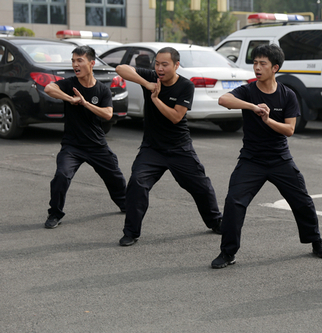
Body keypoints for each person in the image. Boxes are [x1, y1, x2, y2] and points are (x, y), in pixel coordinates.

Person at [211, 44, 322, 269]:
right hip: (251, 160)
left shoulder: (288, 95)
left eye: (262, 63)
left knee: (302, 201)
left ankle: (315, 241)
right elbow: (223, 100)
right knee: (234, 202)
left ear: (274, 67)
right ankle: (228, 253)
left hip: (280, 159)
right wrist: (252, 107)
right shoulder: (248, 91)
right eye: (255, 63)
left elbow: (289, 130)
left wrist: (268, 120)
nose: (257, 67)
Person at [115, 47, 222, 246]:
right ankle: (131, 232)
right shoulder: (152, 77)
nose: (160, 68)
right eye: (157, 64)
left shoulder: (185, 86)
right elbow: (121, 68)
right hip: (152, 149)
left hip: (179, 148)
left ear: (176, 65)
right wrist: (146, 83)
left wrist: (155, 99)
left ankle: (215, 221)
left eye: (165, 64)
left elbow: (176, 117)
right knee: (137, 184)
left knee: (201, 187)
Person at [44, 45, 127, 228]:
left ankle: (124, 204)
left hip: (97, 145)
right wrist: (70, 99)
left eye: (79, 60)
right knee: (61, 176)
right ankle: (55, 214)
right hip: (72, 146)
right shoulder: (69, 84)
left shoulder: (102, 90)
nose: (75, 64)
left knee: (115, 176)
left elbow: (107, 114)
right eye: (73, 60)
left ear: (91, 63)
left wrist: (85, 103)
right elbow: (49, 88)